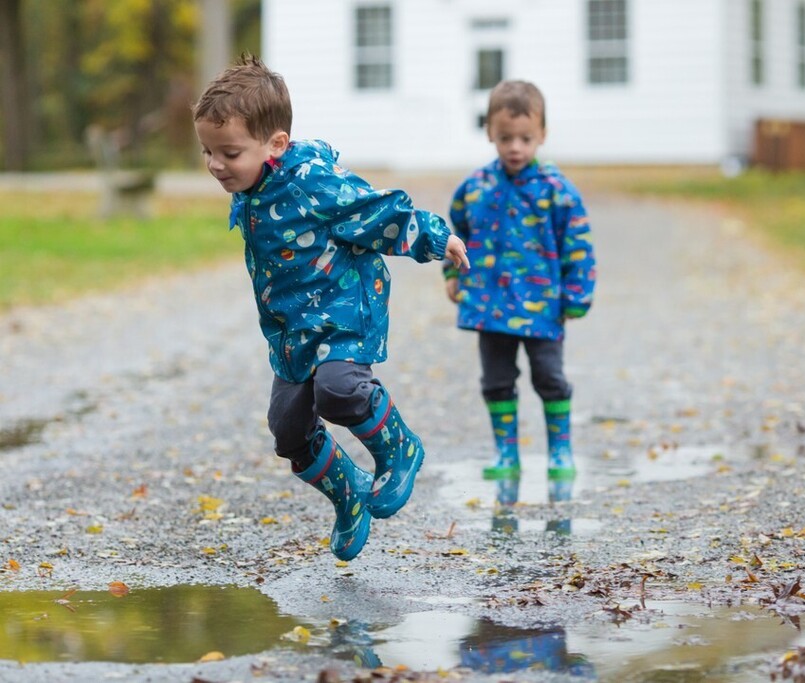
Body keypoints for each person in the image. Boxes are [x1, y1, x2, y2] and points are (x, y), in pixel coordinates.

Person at [192, 55, 469, 561]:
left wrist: (436, 236)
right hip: (292, 331)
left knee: (339, 390)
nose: (215, 164)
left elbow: (377, 211)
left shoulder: (313, 182)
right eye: (208, 151)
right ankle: (348, 496)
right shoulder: (252, 187)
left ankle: (398, 447)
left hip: (343, 313)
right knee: (288, 430)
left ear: (276, 144)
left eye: (228, 152)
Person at [444, 80, 595, 481]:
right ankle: (506, 453)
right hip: (490, 307)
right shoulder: (475, 188)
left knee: (549, 377)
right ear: (490, 132)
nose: (516, 147)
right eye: (506, 137)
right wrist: (452, 274)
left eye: (526, 138)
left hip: (543, 306)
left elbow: (577, 242)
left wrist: (578, 293)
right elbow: (454, 234)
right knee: (496, 380)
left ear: (542, 135)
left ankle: (560, 450)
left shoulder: (556, 190)